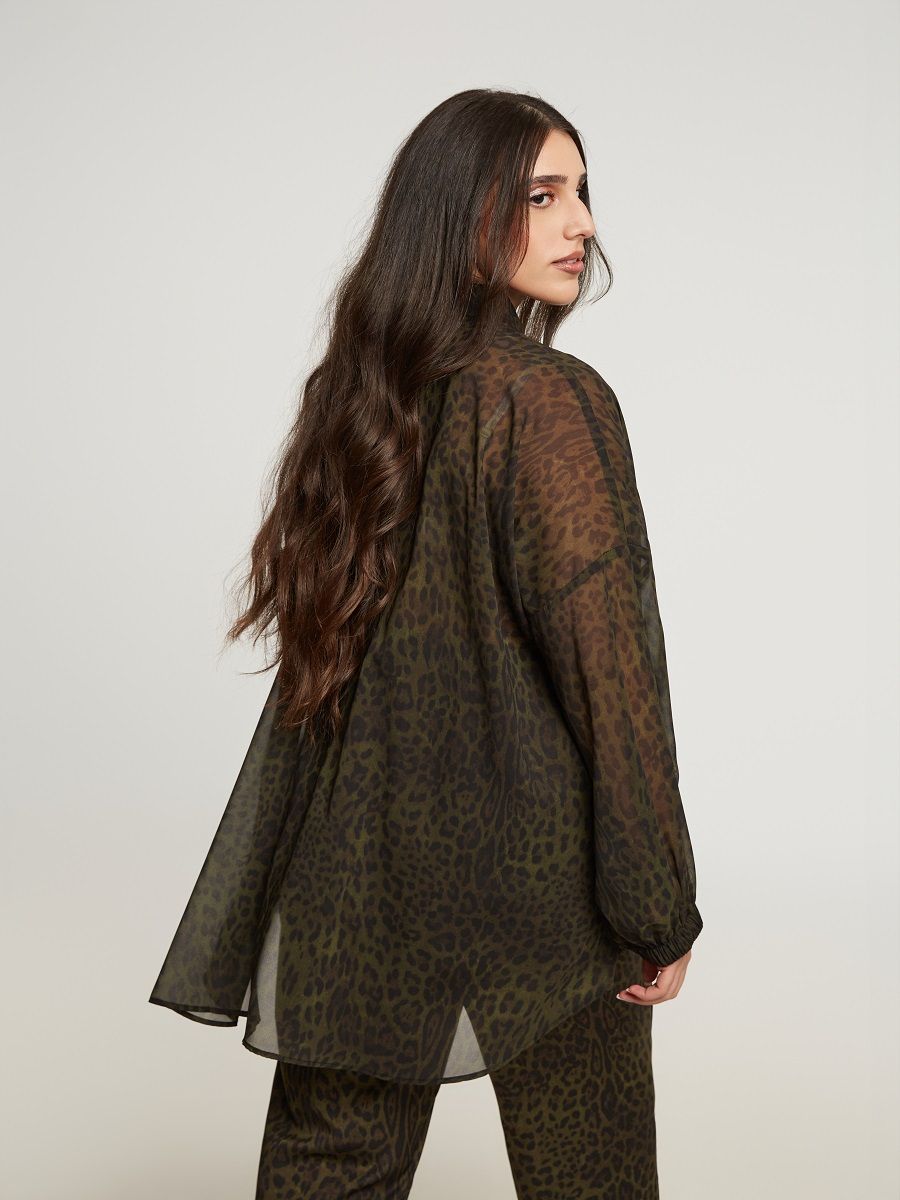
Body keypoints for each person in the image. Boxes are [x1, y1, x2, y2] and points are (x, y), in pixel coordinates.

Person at [148, 87, 704, 1199]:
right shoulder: (550, 401)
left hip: (361, 881)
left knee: (326, 1176)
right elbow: (610, 663)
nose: (582, 222)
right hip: (543, 892)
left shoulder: (363, 406)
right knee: (591, 1183)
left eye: (581, 192)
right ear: (461, 214)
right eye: (543, 195)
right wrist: (657, 905)